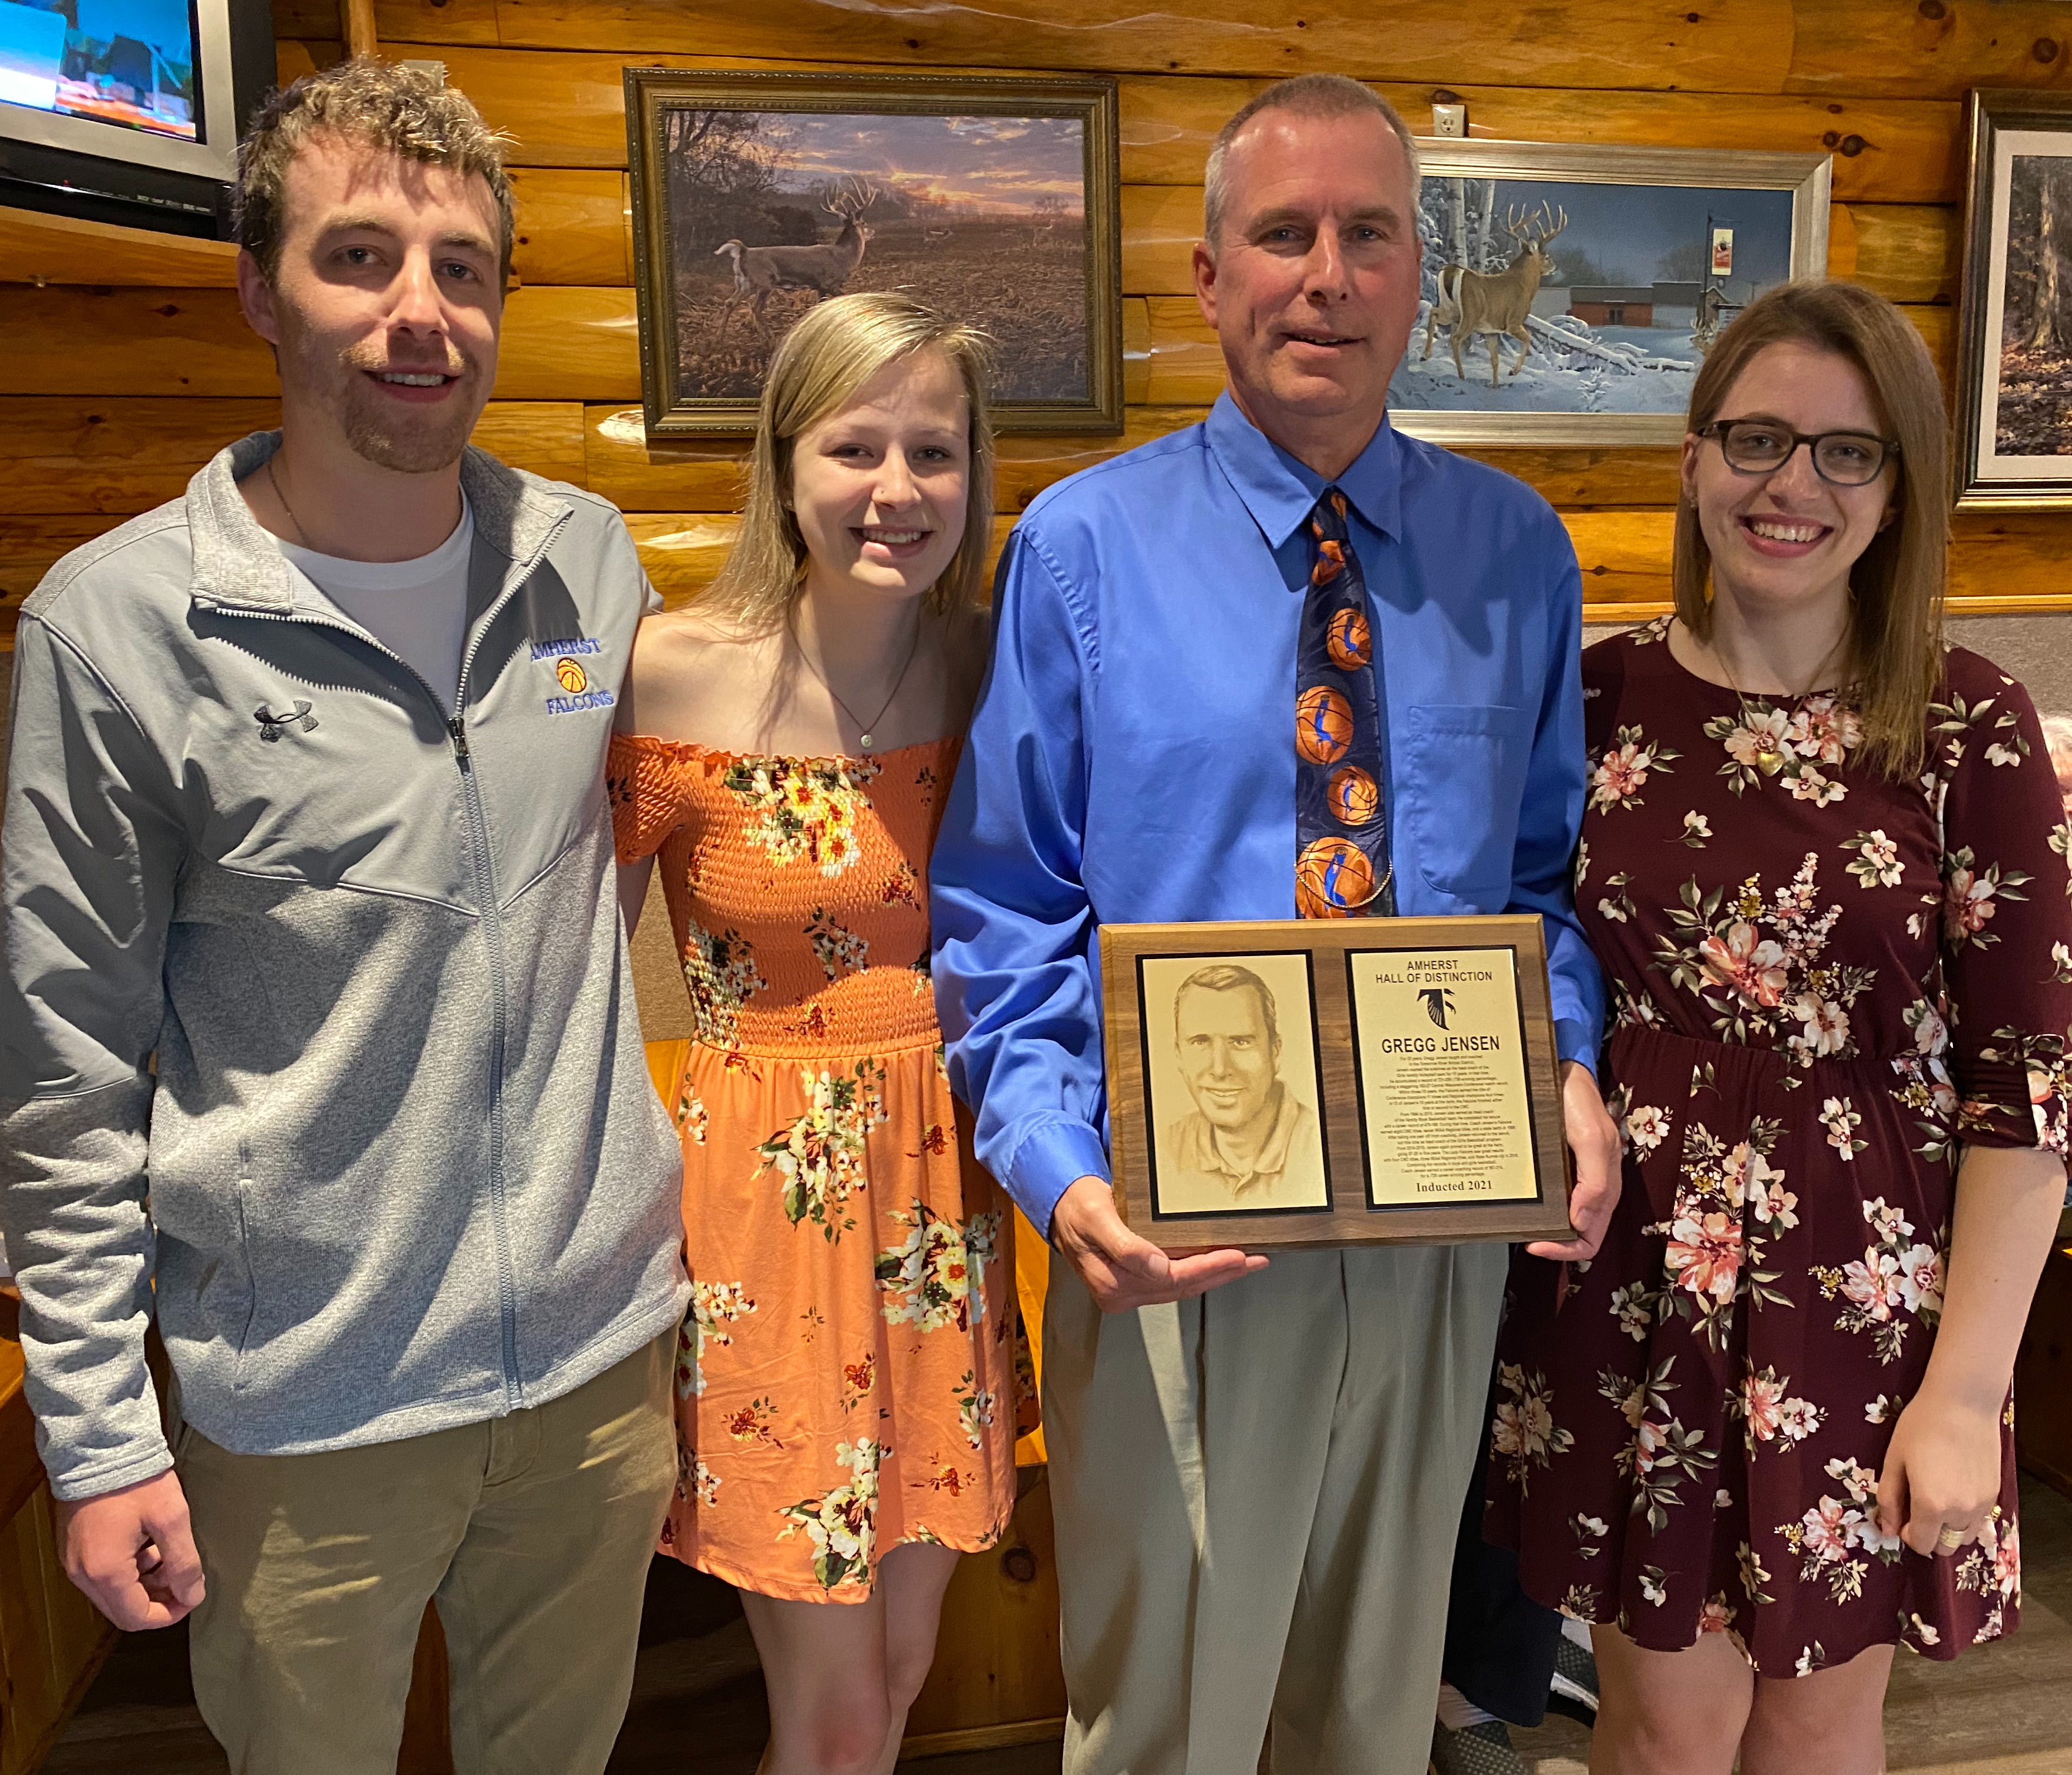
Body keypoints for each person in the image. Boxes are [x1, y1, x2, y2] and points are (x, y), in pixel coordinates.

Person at [929, 73, 1622, 1775]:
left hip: (1436, 1228)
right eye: (1283, 234)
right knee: (1165, 1712)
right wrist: (1057, 1171)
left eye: (1368, 235)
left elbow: (1542, 886)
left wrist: (1574, 1064)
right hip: (1172, 1229)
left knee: (1370, 1709)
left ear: (1417, 275)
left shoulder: (1514, 555)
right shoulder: (1081, 549)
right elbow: (1005, 901)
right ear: (1210, 275)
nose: (1326, 274)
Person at [0, 59, 686, 1774]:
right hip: (306, 1404)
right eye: (360, 258)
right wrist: (95, 1440)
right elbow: (60, 1069)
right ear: (258, 291)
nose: (418, 313)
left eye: (462, 269)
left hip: (598, 1374)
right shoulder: (115, 632)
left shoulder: (588, 565)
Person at [1486, 279, 2072, 1775]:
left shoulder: (1966, 724)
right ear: (1691, 461)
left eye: (1846, 451)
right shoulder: (1599, 697)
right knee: (1655, 1727)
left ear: (1900, 485)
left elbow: (2033, 1094)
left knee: (1816, 1730)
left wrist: (1967, 1392)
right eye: (1756, 439)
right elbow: (1529, 956)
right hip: (1628, 1289)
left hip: (1870, 1300)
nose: (1790, 484)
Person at [609, 292, 1022, 1775]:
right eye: (857, 447)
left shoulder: (993, 668)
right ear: (783, 462)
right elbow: (551, 955)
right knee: (836, 1711)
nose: (898, 491)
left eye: (936, 451)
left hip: (940, 1208)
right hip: (762, 1221)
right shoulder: (671, 670)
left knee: (903, 1674)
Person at [1164, 963, 1320, 1204]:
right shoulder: (1165, 1150)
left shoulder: (1319, 1144)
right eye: (1200, 1042)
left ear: (1275, 1051)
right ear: (1178, 1054)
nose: (1220, 1069)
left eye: (1240, 1042)